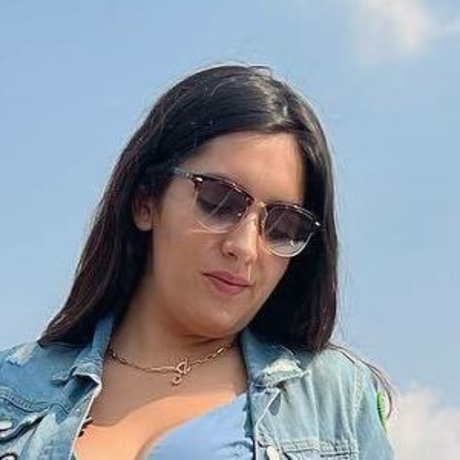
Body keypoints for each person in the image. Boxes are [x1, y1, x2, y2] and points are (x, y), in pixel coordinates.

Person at [0, 64, 394, 459]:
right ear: (145, 201)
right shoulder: (12, 389)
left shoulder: (333, 398)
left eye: (282, 226)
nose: (245, 247)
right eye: (219, 201)